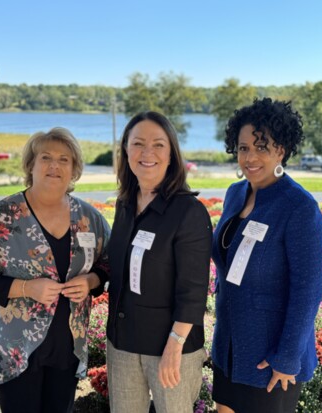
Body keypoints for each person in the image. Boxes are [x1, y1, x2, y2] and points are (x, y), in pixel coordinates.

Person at [0, 127, 110, 413]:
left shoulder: (90, 218)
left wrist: (92, 279)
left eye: (64, 159)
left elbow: (109, 262)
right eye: (45, 157)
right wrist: (25, 288)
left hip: (68, 346)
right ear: (31, 165)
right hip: (14, 349)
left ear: (74, 169)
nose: (54, 165)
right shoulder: (0, 217)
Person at [211, 98, 322, 413]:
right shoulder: (236, 193)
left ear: (282, 150)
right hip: (229, 345)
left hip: (271, 357)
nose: (250, 157)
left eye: (262, 147)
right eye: (244, 147)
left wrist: (287, 357)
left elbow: (308, 291)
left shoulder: (299, 208)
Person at [106, 111, 212, 413]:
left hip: (171, 348)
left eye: (158, 144)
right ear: (126, 151)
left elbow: (193, 290)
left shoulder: (189, 212)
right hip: (123, 344)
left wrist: (174, 345)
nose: (147, 153)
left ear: (171, 154)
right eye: (138, 144)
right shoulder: (125, 204)